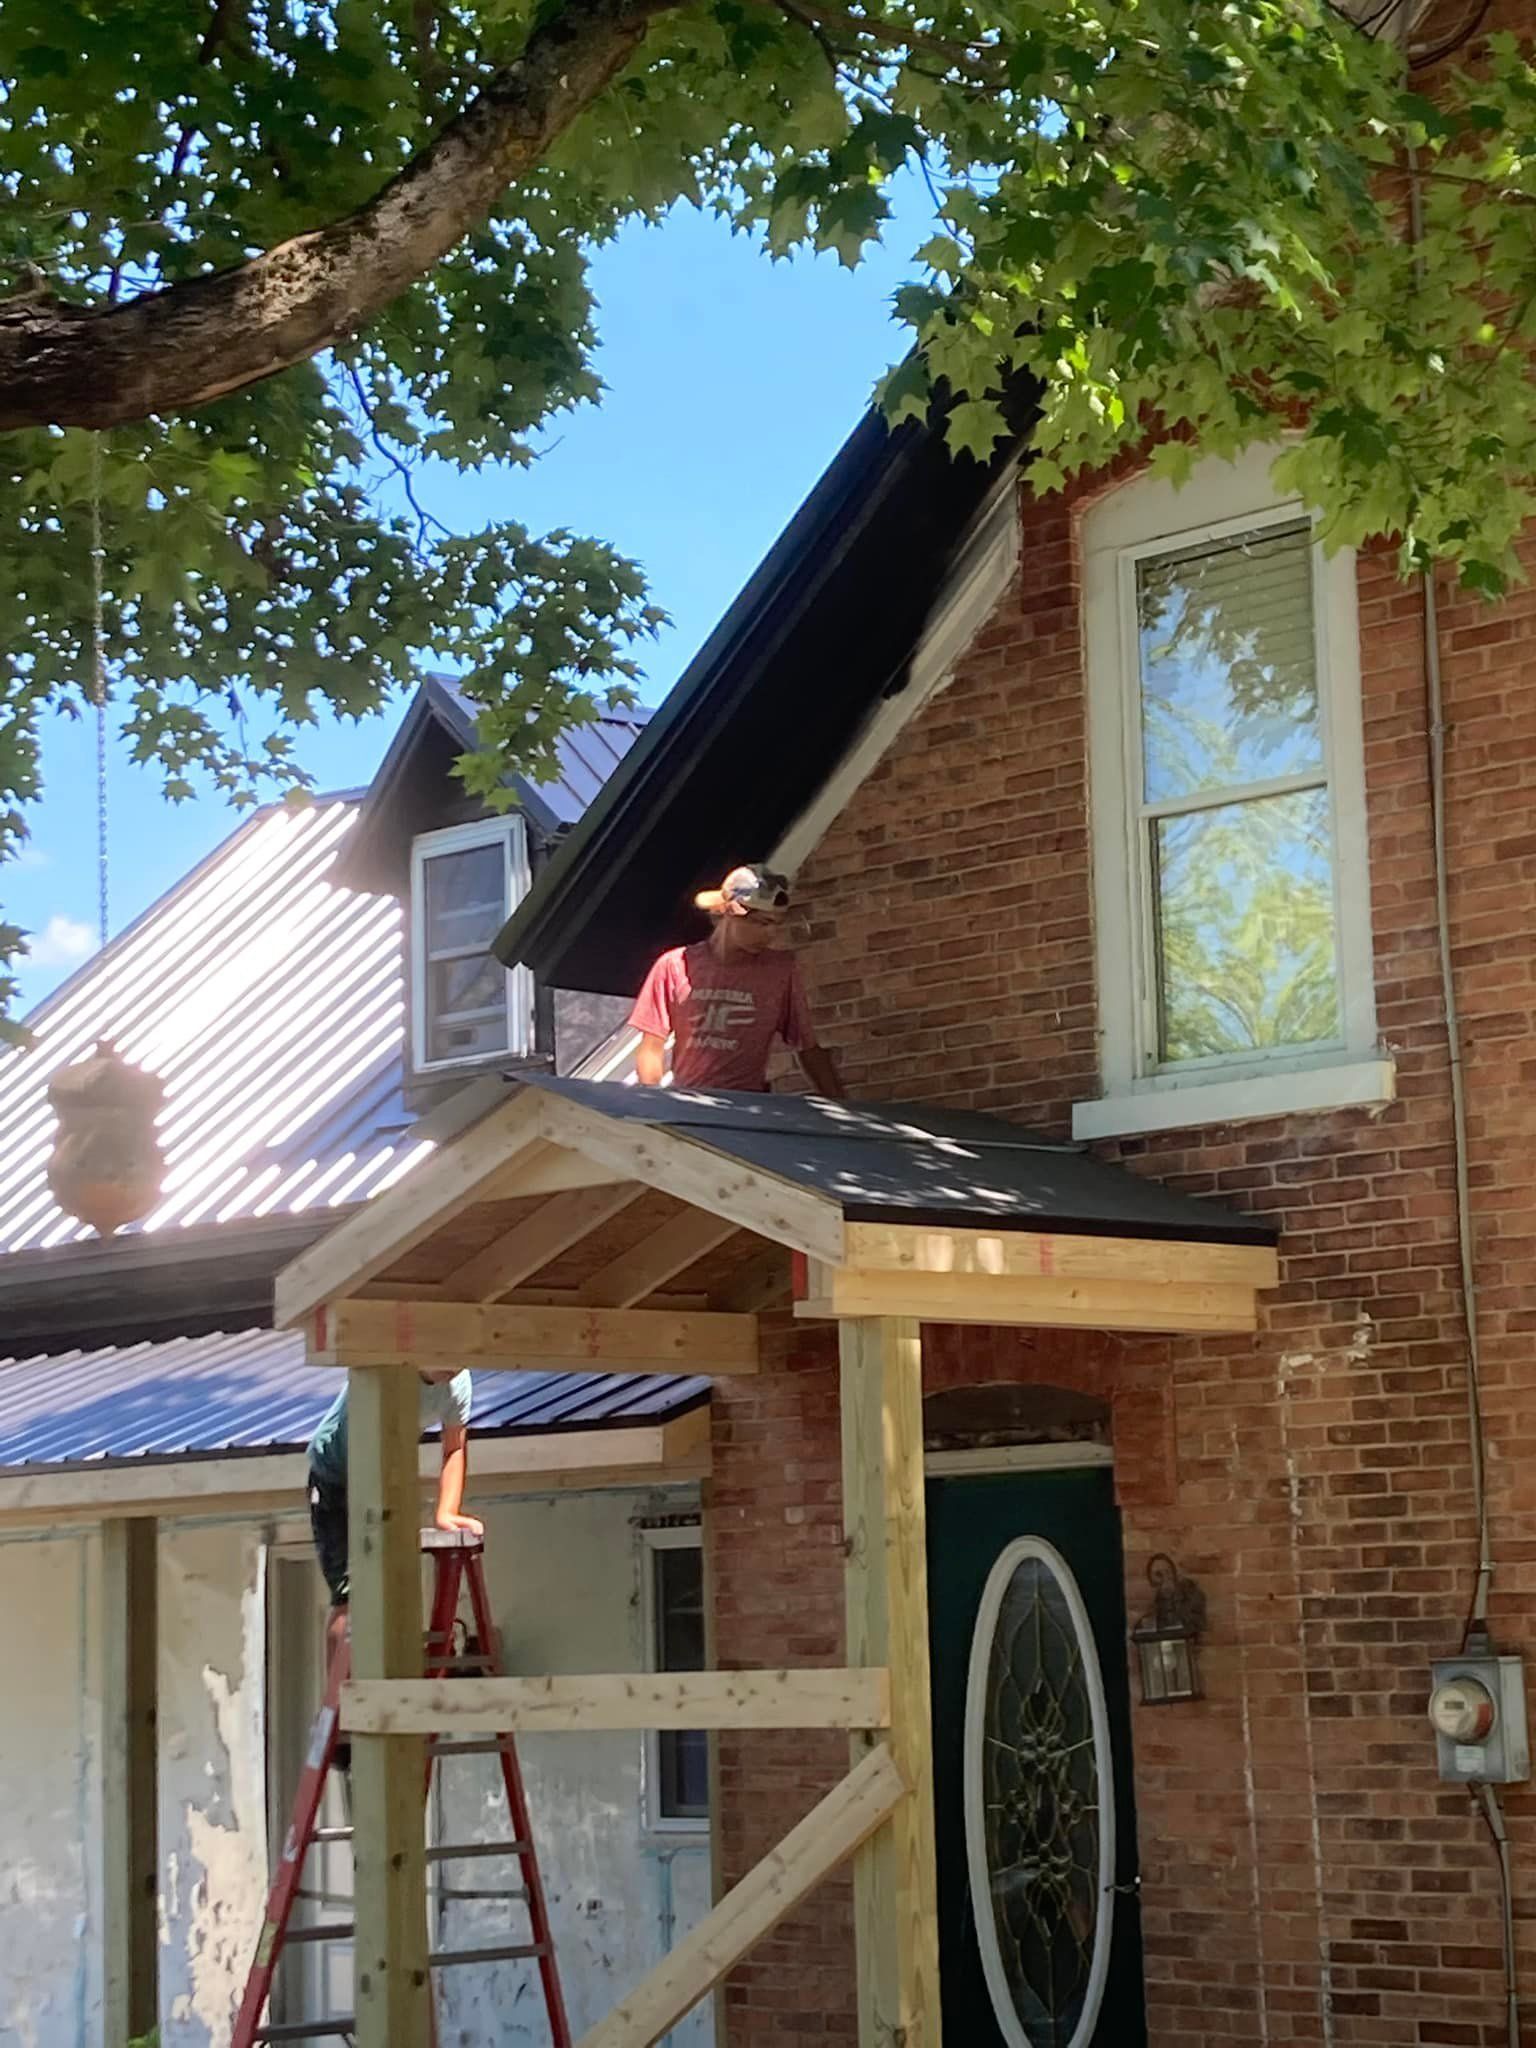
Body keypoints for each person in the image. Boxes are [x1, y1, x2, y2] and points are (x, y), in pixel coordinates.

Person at [630, 863, 844, 1095]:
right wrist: (655, 1103)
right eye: (762, 923)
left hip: (747, 1103)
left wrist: (841, 1106)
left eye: (776, 924)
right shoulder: (674, 966)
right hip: (690, 1102)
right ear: (731, 912)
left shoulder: (779, 971)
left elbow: (808, 1047)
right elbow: (651, 1047)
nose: (771, 934)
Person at [307, 1368, 481, 1641]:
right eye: (446, 1360)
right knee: (350, 1596)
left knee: (390, 1590)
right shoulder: (387, 1367)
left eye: (461, 1362)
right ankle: (341, 1670)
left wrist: (446, 1511)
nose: (453, 1369)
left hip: (382, 1477)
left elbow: (454, 1448)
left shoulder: (458, 1383)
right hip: (334, 1477)